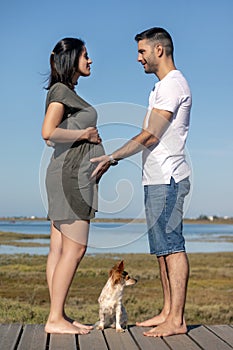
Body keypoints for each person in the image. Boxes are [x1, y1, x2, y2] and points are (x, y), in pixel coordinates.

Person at [91, 27, 192, 337]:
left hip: (169, 176)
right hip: (156, 178)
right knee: (162, 250)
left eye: (142, 52)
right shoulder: (160, 87)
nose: (139, 58)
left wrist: (113, 156)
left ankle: (176, 319)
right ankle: (166, 311)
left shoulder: (173, 85)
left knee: (172, 247)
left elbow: (150, 135)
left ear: (158, 50)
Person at [42, 37, 106, 334]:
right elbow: (48, 132)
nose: (90, 61)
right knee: (76, 248)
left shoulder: (66, 92)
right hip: (70, 178)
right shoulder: (60, 91)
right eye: (86, 56)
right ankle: (55, 319)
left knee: (58, 248)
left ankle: (59, 316)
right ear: (72, 60)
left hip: (64, 174)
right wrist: (86, 136)